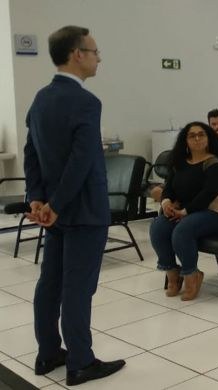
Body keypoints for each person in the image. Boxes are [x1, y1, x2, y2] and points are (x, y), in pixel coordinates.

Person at [23, 25, 125, 386]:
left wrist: (38, 199)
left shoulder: (40, 98)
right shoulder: (86, 101)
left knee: (49, 284)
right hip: (82, 211)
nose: (99, 58)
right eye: (95, 51)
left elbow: (31, 152)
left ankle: (48, 352)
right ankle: (80, 362)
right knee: (78, 289)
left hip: (56, 211)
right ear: (77, 54)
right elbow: (82, 162)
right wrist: (56, 204)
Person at [149, 122, 218, 301]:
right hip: (186, 213)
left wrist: (185, 211)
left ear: (208, 138)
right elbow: (168, 188)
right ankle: (172, 272)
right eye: (192, 135)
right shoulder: (179, 163)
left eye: (201, 134)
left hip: (215, 214)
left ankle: (192, 275)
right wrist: (166, 203)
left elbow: (208, 194)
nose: (197, 138)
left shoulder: (214, 163)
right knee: (158, 227)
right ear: (185, 140)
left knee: (183, 229)